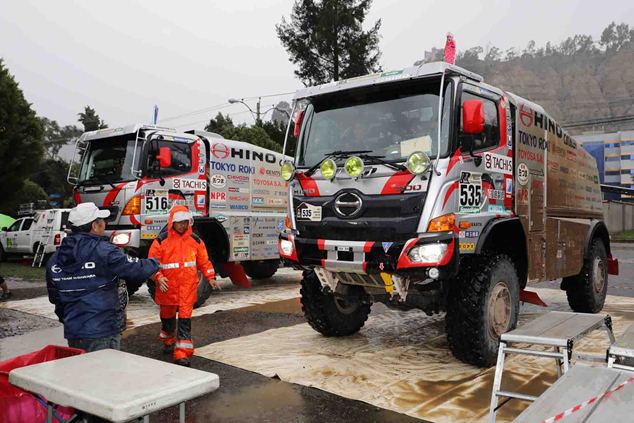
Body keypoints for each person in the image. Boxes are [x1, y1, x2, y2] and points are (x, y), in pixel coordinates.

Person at [46, 202, 160, 352]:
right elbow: (135, 268)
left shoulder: (55, 259)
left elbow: (56, 298)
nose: (105, 224)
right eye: (102, 221)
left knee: (83, 371)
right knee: (106, 373)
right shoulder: (105, 251)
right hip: (102, 330)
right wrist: (158, 261)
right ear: (94, 225)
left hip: (74, 331)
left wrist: (70, 320)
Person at [148, 205, 217, 367]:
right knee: (167, 318)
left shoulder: (195, 241)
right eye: (179, 222)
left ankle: (182, 353)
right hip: (167, 289)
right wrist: (158, 277)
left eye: (185, 222)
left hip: (187, 288)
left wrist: (210, 277)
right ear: (172, 222)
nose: (182, 225)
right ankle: (168, 339)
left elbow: (204, 261)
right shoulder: (160, 241)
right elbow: (151, 264)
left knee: (185, 320)